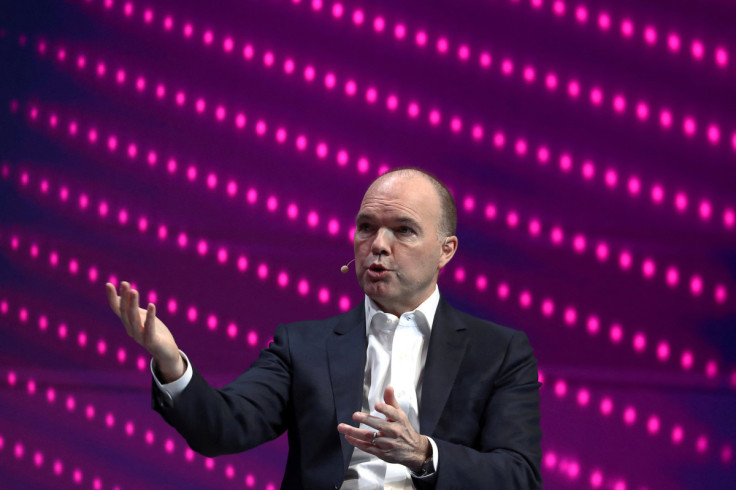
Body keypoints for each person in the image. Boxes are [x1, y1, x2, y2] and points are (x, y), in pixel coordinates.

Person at [106, 168, 542, 489]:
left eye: (403, 231)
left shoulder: (498, 351)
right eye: (366, 227)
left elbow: (519, 477)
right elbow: (222, 429)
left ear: (446, 251)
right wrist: (170, 362)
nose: (378, 245)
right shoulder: (303, 346)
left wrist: (424, 455)